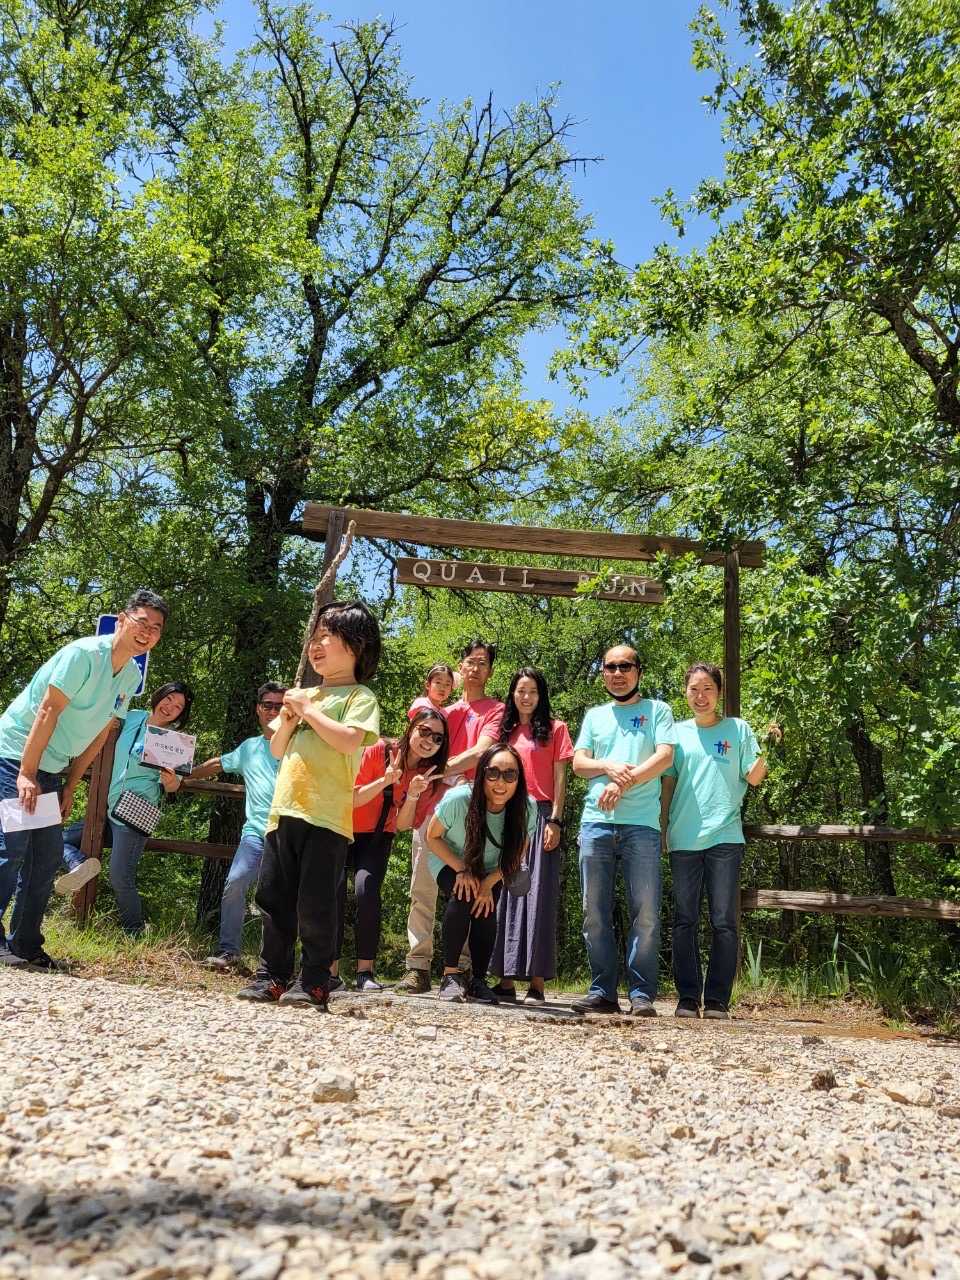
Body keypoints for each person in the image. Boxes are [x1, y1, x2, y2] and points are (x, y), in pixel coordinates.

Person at [0, 590, 167, 968]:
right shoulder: (84, 655)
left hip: (51, 767)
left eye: (156, 629)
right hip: (15, 756)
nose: (147, 632)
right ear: (121, 620)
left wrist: (70, 785)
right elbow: (47, 711)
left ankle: (24, 945)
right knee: (11, 849)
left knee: (45, 858)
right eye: (142, 622)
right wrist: (27, 773)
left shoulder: (130, 675)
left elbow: (101, 733)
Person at [237, 601, 381, 1011]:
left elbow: (349, 741)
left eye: (327, 636)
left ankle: (315, 981)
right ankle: (272, 976)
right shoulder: (306, 696)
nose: (316, 645)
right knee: (273, 897)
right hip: (284, 811)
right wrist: (287, 720)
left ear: (356, 645)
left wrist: (307, 710)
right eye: (314, 636)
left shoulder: (359, 696)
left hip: (327, 818)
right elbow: (277, 750)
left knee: (316, 902)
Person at [660, 662, 781, 1020]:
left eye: (708, 689)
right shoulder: (675, 733)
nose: (701, 696)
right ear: (685, 692)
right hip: (683, 838)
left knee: (724, 922)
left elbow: (754, 777)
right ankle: (687, 998)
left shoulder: (737, 729)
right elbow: (668, 784)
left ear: (719, 692)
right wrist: (663, 828)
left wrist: (771, 747)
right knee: (684, 920)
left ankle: (716, 1001)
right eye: (694, 689)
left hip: (726, 837)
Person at [571, 644, 678, 1016]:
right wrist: (607, 766)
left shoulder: (658, 710)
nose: (617, 673)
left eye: (625, 666)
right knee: (594, 914)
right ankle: (602, 992)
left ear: (639, 672)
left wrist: (622, 783)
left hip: (642, 826)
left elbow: (664, 757)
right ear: (603, 673)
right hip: (595, 824)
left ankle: (641, 995)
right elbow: (579, 764)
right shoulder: (595, 716)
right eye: (610, 667)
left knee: (645, 914)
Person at [395, 640, 503, 994]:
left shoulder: (496, 709)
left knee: (470, 888)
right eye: (470, 661)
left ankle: (464, 970)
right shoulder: (440, 710)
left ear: (490, 671)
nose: (475, 667)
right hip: (431, 809)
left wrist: (440, 771)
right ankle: (418, 966)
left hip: (473, 811)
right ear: (461, 667)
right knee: (422, 890)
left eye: (483, 663)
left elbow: (481, 751)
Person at [58, 682, 194, 934]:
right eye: (169, 699)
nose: (170, 707)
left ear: (180, 715)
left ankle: (134, 934)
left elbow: (174, 786)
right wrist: (107, 722)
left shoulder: (174, 741)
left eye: (178, 707)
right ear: (159, 695)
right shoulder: (131, 717)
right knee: (58, 840)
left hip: (134, 812)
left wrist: (169, 781)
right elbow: (101, 723)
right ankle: (78, 866)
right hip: (107, 808)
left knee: (120, 877)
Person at [332, 708, 449, 991]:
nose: (429, 740)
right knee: (333, 892)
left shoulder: (426, 775)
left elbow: (405, 824)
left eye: (438, 738)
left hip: (377, 837)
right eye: (424, 731)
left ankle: (365, 972)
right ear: (411, 728)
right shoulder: (379, 749)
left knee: (366, 890)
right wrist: (385, 780)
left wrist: (413, 794)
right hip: (341, 829)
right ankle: (329, 971)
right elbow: (351, 799)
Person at [485, 669, 574, 1004]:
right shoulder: (503, 732)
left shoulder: (556, 729)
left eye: (533, 691)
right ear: (512, 694)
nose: (526, 697)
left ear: (541, 695)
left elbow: (561, 777)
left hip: (542, 814)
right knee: (505, 894)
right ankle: (505, 981)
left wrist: (556, 820)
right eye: (520, 690)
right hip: (507, 816)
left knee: (538, 896)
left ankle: (537, 983)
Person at [425, 743, 537, 1004]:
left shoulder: (527, 808)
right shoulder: (458, 799)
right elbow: (431, 837)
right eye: (493, 773)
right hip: (450, 859)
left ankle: (477, 981)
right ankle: (450, 976)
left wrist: (488, 883)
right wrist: (462, 870)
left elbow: (516, 855)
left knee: (486, 906)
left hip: (492, 867)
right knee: (464, 895)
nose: (501, 782)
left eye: (510, 774)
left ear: (519, 778)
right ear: (482, 774)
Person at [191, 681, 288, 968]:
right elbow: (218, 764)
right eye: (267, 705)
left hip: (290, 834)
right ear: (258, 709)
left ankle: (280, 963)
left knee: (284, 898)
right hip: (256, 833)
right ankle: (229, 952)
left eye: (280, 705)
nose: (273, 711)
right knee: (235, 882)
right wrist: (184, 775)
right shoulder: (249, 748)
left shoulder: (299, 745)